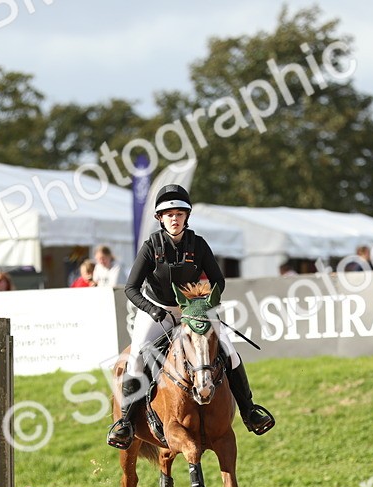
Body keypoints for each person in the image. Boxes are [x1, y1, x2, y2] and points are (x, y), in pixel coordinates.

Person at [107, 184, 274, 450]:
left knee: (230, 351)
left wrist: (205, 303)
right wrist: (151, 309)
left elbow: (217, 279)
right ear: (160, 218)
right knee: (137, 354)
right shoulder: (151, 247)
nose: (175, 218)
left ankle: (249, 411)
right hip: (156, 310)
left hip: (193, 309)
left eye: (179, 214)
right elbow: (130, 288)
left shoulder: (198, 244)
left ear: (186, 217)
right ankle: (126, 422)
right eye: (169, 214)